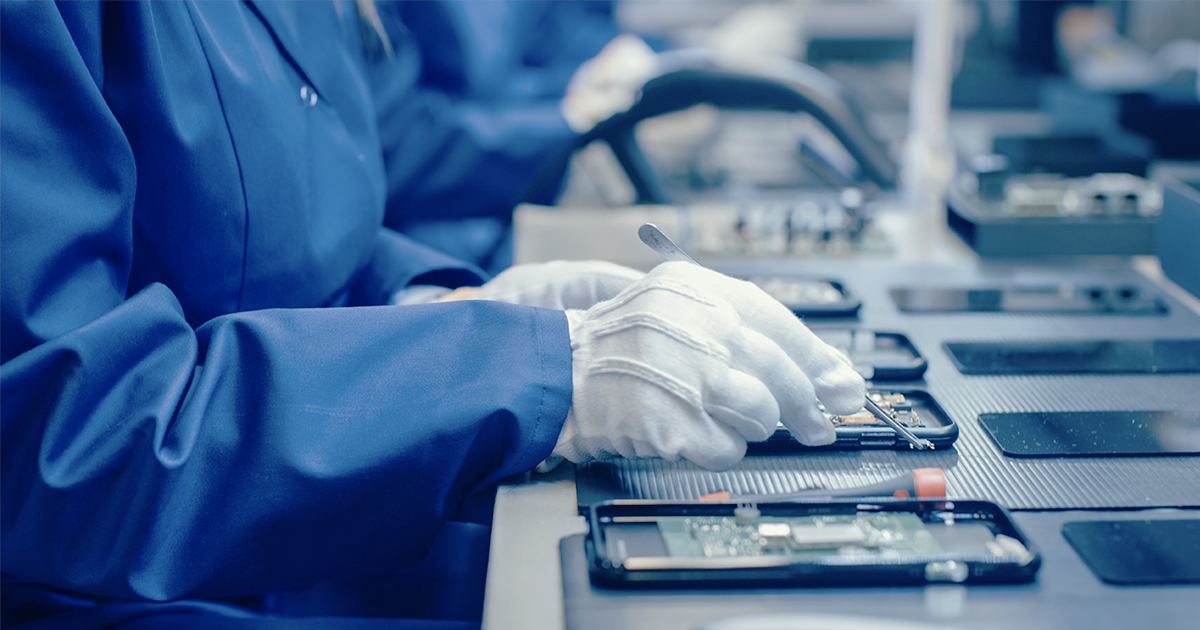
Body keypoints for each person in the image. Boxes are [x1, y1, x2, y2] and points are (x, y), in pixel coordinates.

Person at [0, 2, 865, 628]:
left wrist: (444, 303)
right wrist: (522, 370)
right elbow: (67, 437)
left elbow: (287, 233)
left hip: (290, 523)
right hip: (104, 583)